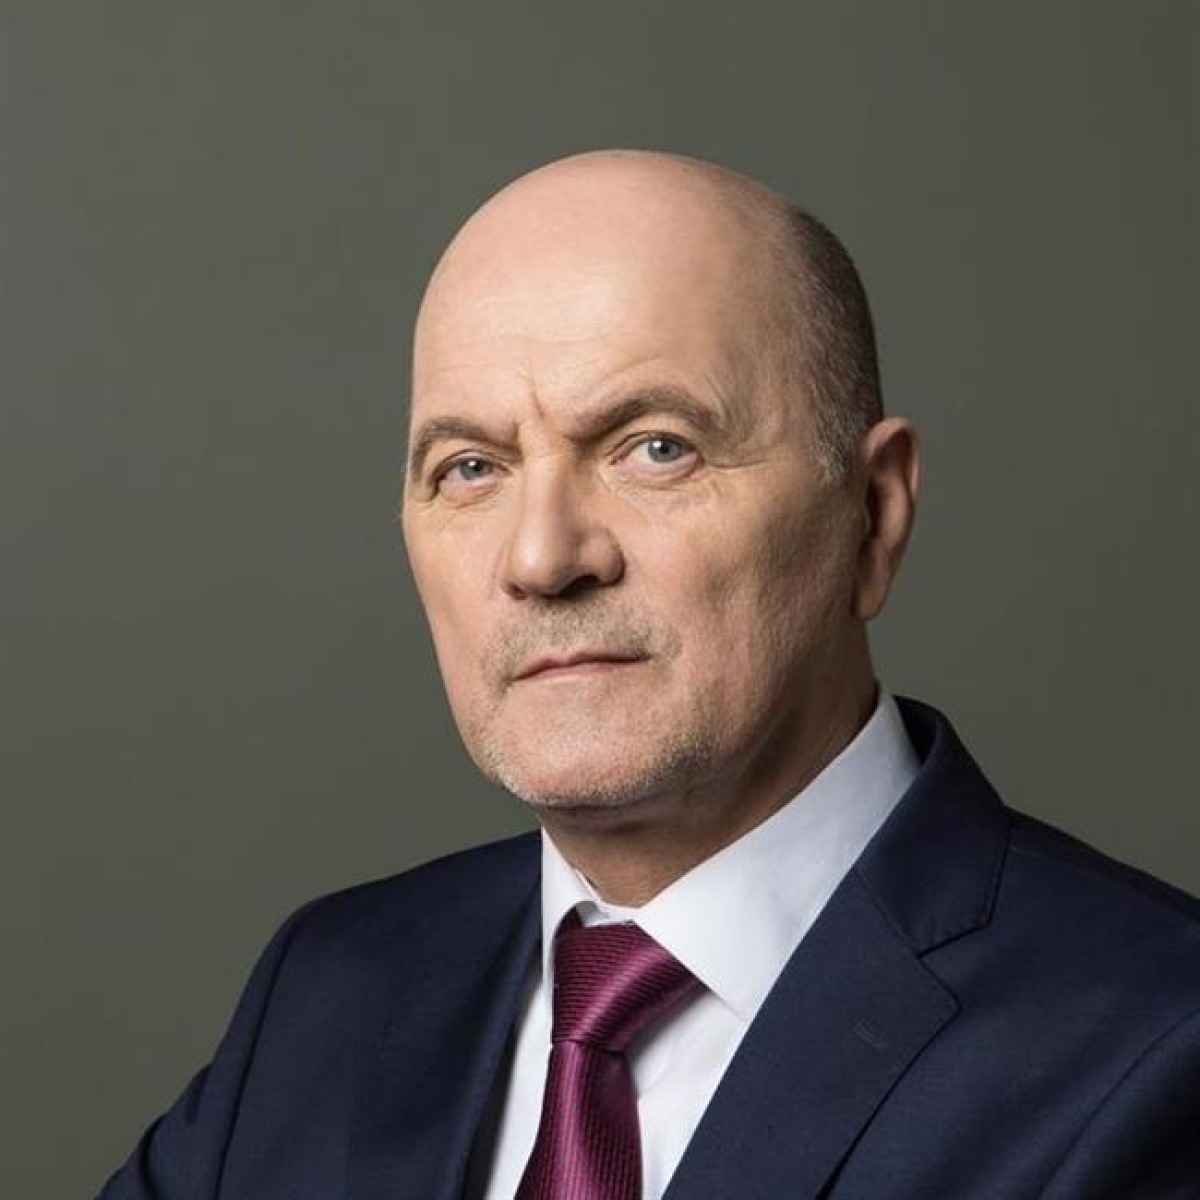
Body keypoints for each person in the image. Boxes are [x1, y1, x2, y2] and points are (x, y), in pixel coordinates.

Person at [100, 150, 1200, 1199]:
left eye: (656, 447)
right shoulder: (329, 989)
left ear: (872, 515)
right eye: (470, 468)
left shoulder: (1158, 1049)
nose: (543, 558)